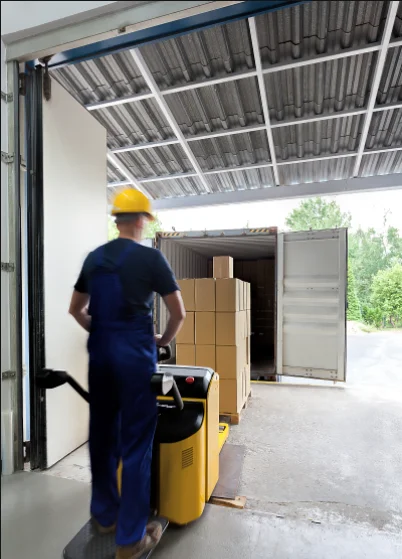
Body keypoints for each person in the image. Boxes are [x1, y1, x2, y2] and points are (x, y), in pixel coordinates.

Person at [68, 189, 185, 559]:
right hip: (135, 359)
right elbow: (178, 313)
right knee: (136, 445)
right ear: (140, 220)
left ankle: (105, 517)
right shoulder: (151, 258)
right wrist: (162, 340)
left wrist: (103, 331)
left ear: (117, 220)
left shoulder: (95, 258)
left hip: (100, 357)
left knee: (102, 437)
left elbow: (76, 310)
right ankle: (130, 540)